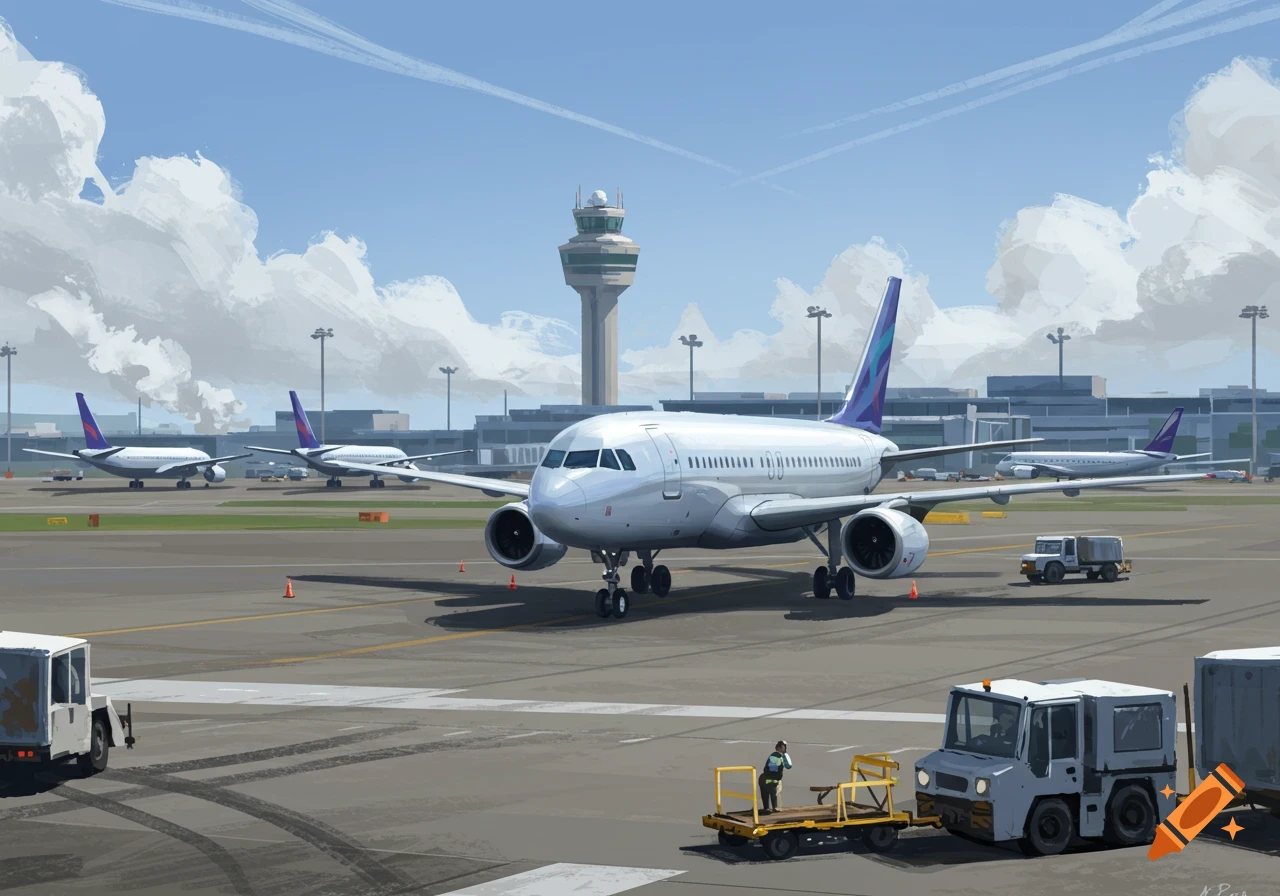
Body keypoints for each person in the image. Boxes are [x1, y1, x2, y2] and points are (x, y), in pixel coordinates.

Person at [758, 740, 792, 814]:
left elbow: (788, 766)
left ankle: (768, 808)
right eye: (783, 747)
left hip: (766, 779)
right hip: (768, 779)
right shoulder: (776, 756)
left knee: (770, 793)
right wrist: (782, 759)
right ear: (779, 748)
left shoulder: (779, 756)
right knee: (771, 793)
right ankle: (772, 807)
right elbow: (774, 767)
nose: (784, 749)